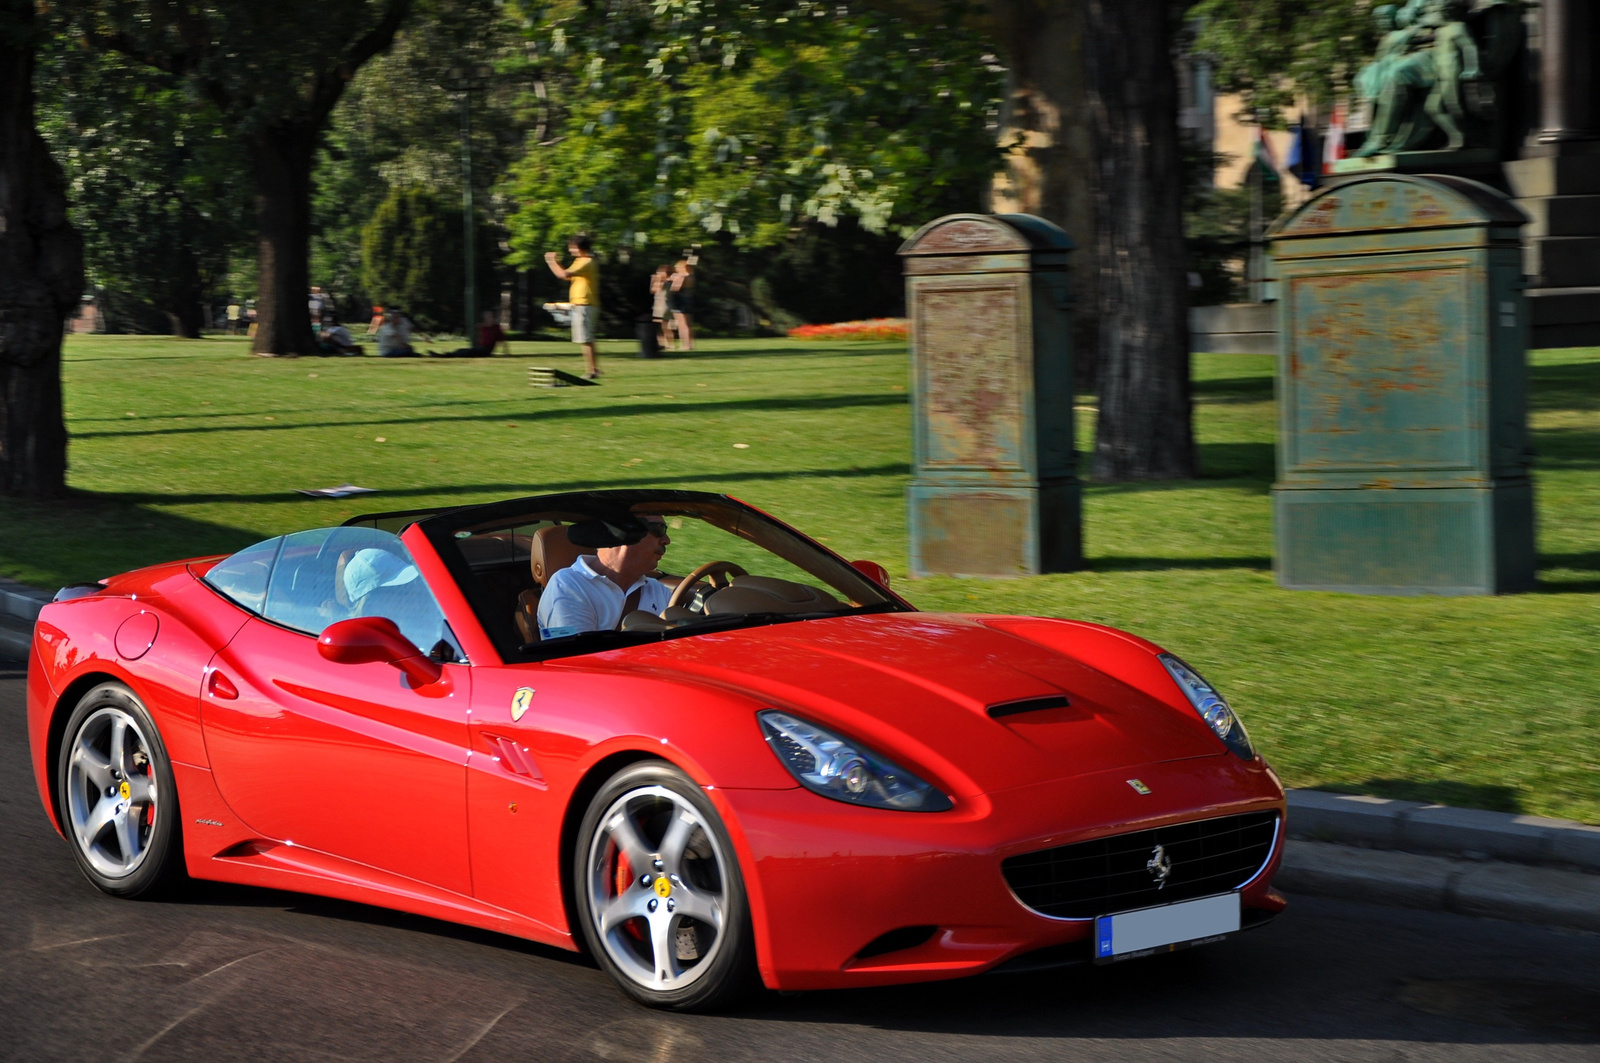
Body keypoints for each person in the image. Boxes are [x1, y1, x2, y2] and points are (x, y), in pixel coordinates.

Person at [537, 515, 673, 639]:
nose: (667, 540)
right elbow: (577, 658)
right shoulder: (568, 586)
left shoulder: (658, 589)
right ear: (622, 533)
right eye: (659, 529)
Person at [545, 234, 601, 379]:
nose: (570, 250)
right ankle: (594, 369)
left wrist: (551, 261)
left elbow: (563, 275)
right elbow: (568, 276)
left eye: (572, 247)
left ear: (580, 248)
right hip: (581, 304)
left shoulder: (586, 261)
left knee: (585, 339)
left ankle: (592, 371)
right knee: (586, 339)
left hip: (585, 304)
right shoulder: (580, 261)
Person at [436, 310, 512, 357]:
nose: (489, 319)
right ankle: (449, 354)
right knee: (462, 350)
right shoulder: (482, 327)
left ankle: (449, 355)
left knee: (469, 352)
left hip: (486, 350)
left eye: (490, 317)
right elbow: (479, 338)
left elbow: (504, 341)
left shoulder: (496, 328)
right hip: (480, 347)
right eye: (487, 317)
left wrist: (507, 353)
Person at [668, 259, 695, 352]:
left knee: (682, 324)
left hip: (680, 300)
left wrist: (674, 279)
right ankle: (690, 344)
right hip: (689, 299)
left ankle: (685, 345)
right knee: (688, 324)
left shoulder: (682, 276)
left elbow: (675, 288)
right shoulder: (691, 276)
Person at [649, 264, 673, 350]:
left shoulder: (667, 282)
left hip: (664, 306)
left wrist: (657, 280)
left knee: (665, 326)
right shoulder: (660, 282)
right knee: (658, 326)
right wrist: (653, 281)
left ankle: (670, 344)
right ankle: (661, 343)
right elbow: (652, 291)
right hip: (658, 305)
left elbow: (659, 288)